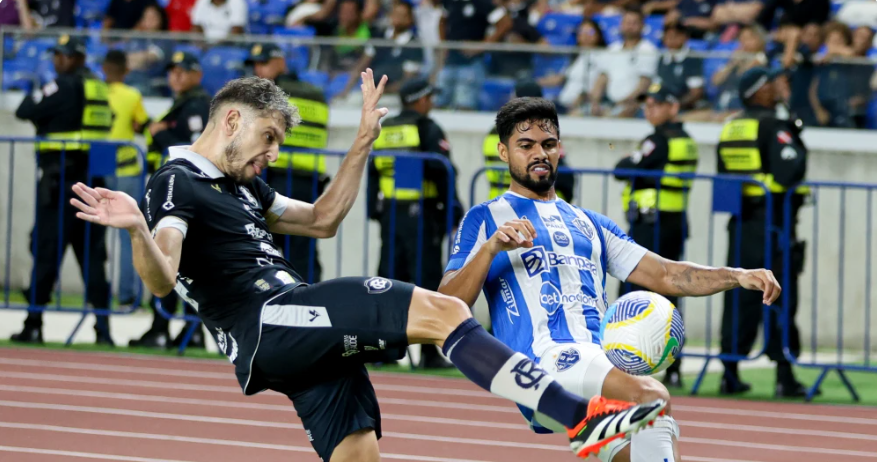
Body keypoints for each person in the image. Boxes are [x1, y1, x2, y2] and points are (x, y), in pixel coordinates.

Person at [70, 70, 668, 462]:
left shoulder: (244, 187)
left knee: (359, 453)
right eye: (269, 137)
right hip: (273, 321)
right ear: (233, 121)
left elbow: (323, 219)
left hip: (297, 340)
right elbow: (159, 280)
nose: (272, 153)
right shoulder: (176, 181)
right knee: (441, 309)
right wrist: (137, 231)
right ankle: (580, 418)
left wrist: (361, 142)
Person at [438, 97, 782, 462]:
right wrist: (491, 249)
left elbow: (666, 274)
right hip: (543, 363)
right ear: (504, 152)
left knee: (647, 446)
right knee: (652, 396)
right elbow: (446, 303)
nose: (539, 153)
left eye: (548, 144)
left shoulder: (590, 223)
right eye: (526, 145)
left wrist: (737, 275)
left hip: (599, 365)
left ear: (560, 149)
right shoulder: (486, 218)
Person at [12, 35, 114, 345]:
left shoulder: (65, 85)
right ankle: (103, 331)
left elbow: (25, 109)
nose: (59, 61)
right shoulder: (98, 87)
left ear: (78, 58)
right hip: (95, 182)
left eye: (64, 56)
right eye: (57, 55)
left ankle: (33, 323)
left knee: (45, 253)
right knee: (93, 258)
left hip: (61, 185)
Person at [716, 67, 809, 398]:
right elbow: (790, 170)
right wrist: (794, 130)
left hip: (740, 224)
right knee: (779, 294)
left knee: (737, 294)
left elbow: (725, 183)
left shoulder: (730, 127)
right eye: (771, 84)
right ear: (759, 91)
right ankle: (784, 374)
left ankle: (729, 370)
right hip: (774, 225)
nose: (777, 87)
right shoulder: (774, 124)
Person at [367, 78, 462, 369]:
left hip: (391, 215)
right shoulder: (427, 127)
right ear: (420, 100)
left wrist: (375, 210)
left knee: (389, 281)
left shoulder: (388, 129)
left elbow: (373, 172)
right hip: (422, 216)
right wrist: (453, 209)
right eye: (429, 97)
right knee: (427, 283)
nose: (431, 102)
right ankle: (430, 356)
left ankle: (385, 351)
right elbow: (441, 170)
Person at [614, 83, 698, 389]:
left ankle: (625, 363)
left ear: (673, 108)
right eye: (647, 104)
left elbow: (621, 169)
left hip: (651, 226)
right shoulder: (685, 140)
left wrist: (632, 161)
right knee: (671, 293)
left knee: (632, 294)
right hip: (673, 222)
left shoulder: (658, 140)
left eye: (657, 104)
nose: (649, 109)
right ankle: (674, 367)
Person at [130, 50, 211, 348]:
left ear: (197, 75)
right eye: (172, 71)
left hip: (180, 197)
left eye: (183, 70)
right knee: (180, 263)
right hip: (176, 193)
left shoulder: (197, 104)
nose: (175, 76)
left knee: (167, 259)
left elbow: (190, 146)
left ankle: (167, 328)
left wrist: (157, 132)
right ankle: (187, 332)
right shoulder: (183, 103)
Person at [246, 42, 329, 283]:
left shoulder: (272, 94)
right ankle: (313, 302)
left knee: (266, 248)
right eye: (255, 66)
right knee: (303, 250)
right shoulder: (316, 93)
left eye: (263, 64)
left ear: (280, 63)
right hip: (309, 179)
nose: (258, 71)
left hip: (278, 177)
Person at [103, 49, 151, 308]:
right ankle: (126, 296)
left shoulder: (95, 92)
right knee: (129, 234)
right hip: (126, 167)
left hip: (98, 166)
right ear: (126, 71)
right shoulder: (132, 95)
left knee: (91, 236)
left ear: (103, 69)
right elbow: (141, 124)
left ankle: (97, 293)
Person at [483, 80, 575, 202]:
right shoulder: (543, 134)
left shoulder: (494, 133)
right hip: (538, 205)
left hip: (499, 204)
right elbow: (564, 176)